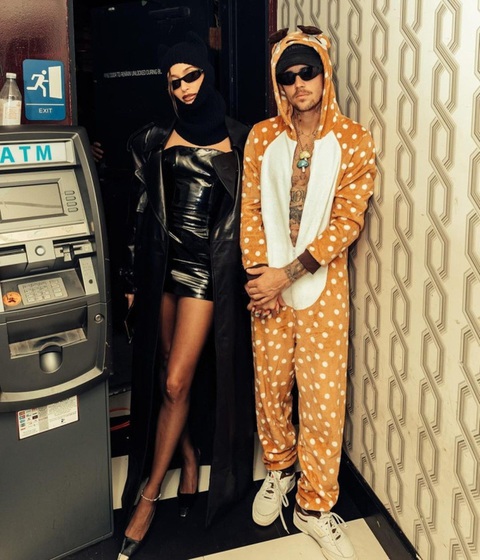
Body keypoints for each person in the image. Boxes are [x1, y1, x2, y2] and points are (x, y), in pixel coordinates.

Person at [240, 26, 377, 560]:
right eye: (288, 76)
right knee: (271, 387)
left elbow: (347, 222)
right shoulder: (260, 138)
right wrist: (261, 278)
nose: (299, 83)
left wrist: (287, 275)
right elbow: (251, 210)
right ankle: (280, 469)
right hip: (268, 291)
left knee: (322, 400)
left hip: (322, 290)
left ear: (325, 74)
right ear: (278, 83)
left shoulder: (354, 139)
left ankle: (314, 506)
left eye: (308, 72)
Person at [118, 32, 254, 560]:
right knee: (162, 372)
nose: (184, 88)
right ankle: (190, 457)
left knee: (178, 381)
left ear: (206, 71)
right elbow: (138, 211)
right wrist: (132, 282)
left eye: (191, 76)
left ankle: (149, 497)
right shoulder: (155, 138)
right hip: (161, 268)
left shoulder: (243, 140)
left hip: (205, 273)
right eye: (174, 82)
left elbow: (255, 216)